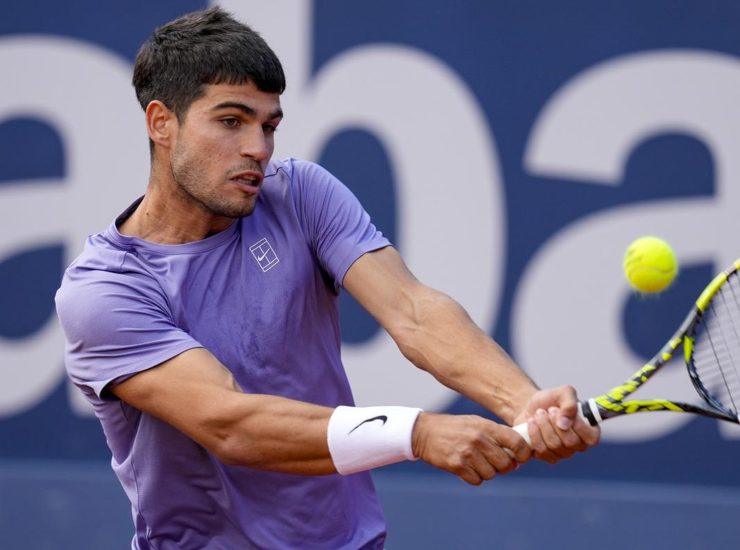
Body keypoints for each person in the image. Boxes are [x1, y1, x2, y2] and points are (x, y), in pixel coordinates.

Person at [55, 7, 600, 550]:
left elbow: (413, 312)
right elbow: (230, 423)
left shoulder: (299, 193)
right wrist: (415, 432)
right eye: (231, 121)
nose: (258, 148)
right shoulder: (104, 292)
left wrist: (523, 401)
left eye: (269, 126)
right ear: (161, 123)